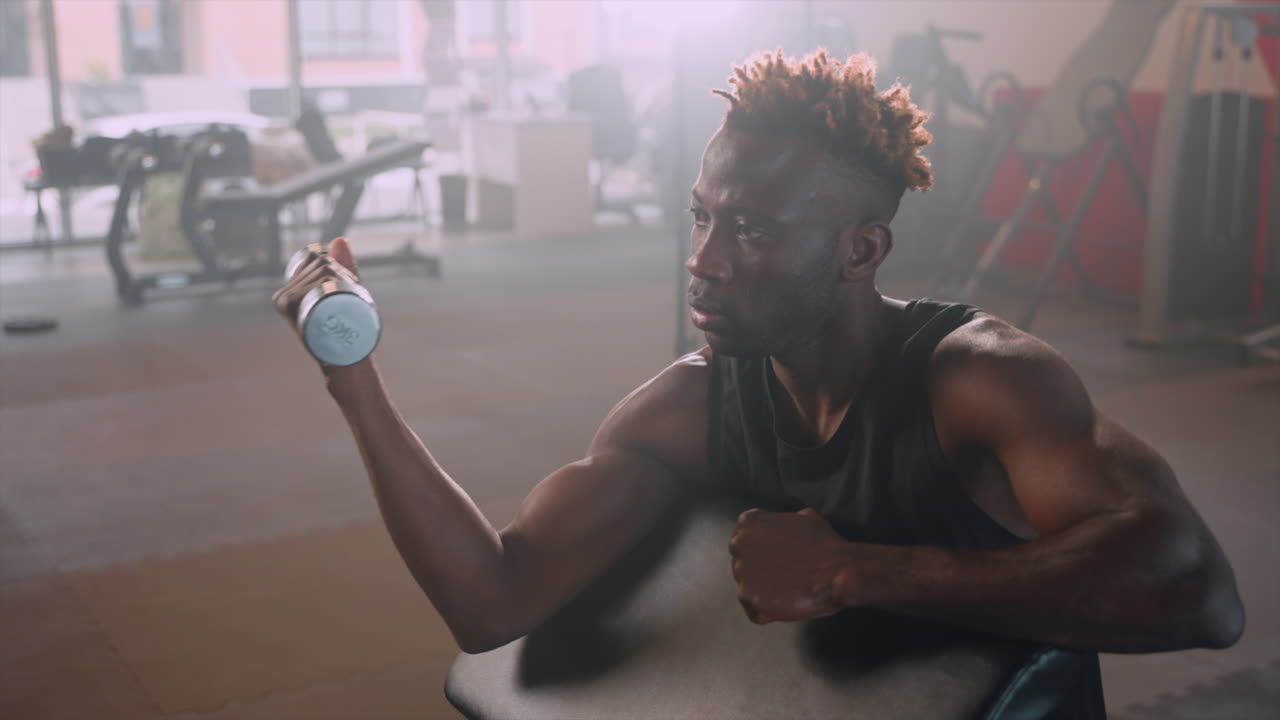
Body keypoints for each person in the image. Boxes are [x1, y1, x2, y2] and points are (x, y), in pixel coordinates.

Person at [274, 49, 1243, 710]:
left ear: (859, 249)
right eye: (700, 217)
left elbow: (1199, 591)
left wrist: (857, 572)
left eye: (750, 230)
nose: (702, 259)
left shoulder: (980, 384)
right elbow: (490, 600)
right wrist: (354, 385)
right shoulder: (692, 407)